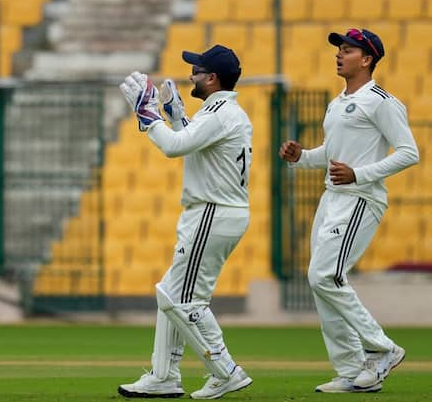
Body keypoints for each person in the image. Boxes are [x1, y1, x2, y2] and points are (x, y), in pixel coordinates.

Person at [279, 28, 418, 393]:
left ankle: (382, 348)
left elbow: (409, 152)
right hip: (332, 198)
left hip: (360, 199)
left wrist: (360, 174)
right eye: (339, 50)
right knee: (318, 279)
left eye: (347, 50)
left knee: (326, 276)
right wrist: (302, 157)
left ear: (367, 59)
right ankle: (352, 369)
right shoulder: (338, 101)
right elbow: (330, 153)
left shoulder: (381, 101)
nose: (339, 55)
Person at [117, 45, 253, 400]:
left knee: (184, 300)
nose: (190, 75)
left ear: (212, 78)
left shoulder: (220, 113)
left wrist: (146, 112)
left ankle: (225, 371)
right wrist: (176, 116)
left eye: (197, 70)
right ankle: (164, 375)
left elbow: (175, 148)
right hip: (218, 211)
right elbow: (195, 146)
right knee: (170, 293)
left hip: (212, 211)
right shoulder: (223, 112)